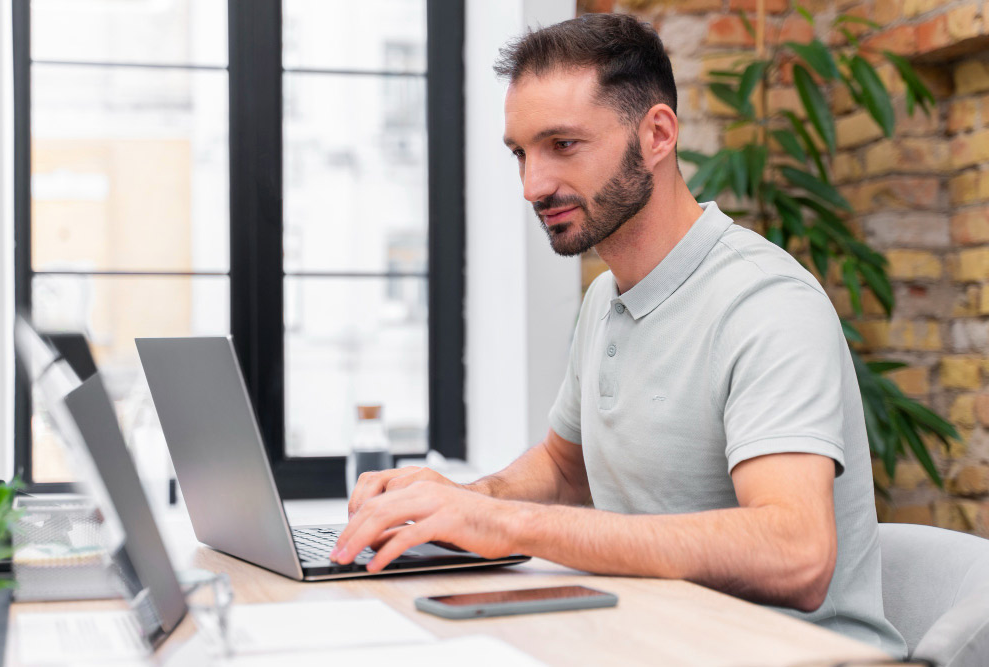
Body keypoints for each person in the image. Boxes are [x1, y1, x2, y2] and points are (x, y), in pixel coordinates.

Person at [330, 13, 906, 657]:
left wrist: (507, 521)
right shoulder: (608, 295)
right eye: (521, 152)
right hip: (649, 639)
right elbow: (562, 467)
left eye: (562, 145)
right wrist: (461, 500)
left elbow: (797, 554)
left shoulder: (765, 303)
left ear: (657, 134)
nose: (532, 186)